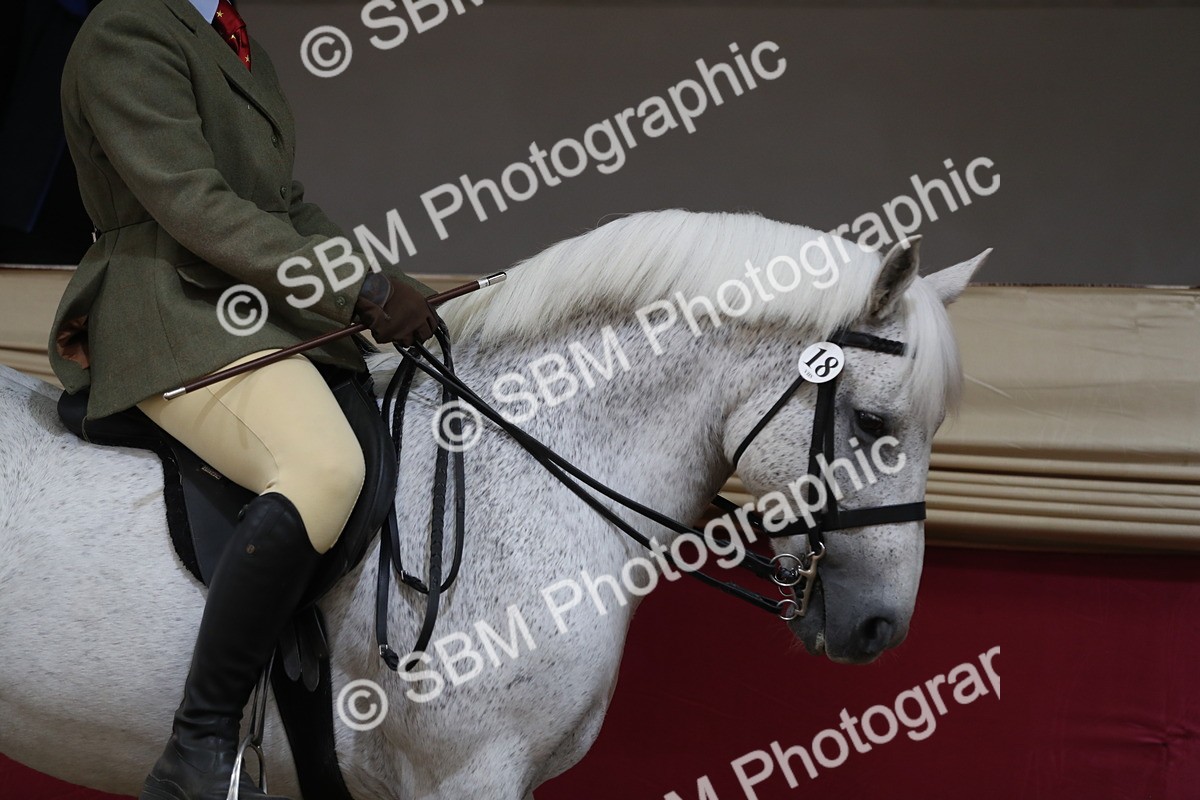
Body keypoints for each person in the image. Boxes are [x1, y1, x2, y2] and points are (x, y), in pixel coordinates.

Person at [48, 1, 437, 798]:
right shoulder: (127, 28)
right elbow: (192, 201)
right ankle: (196, 751)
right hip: (169, 306)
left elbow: (281, 205)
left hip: (250, 307)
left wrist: (380, 276)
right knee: (323, 467)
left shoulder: (234, 39)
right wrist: (352, 288)